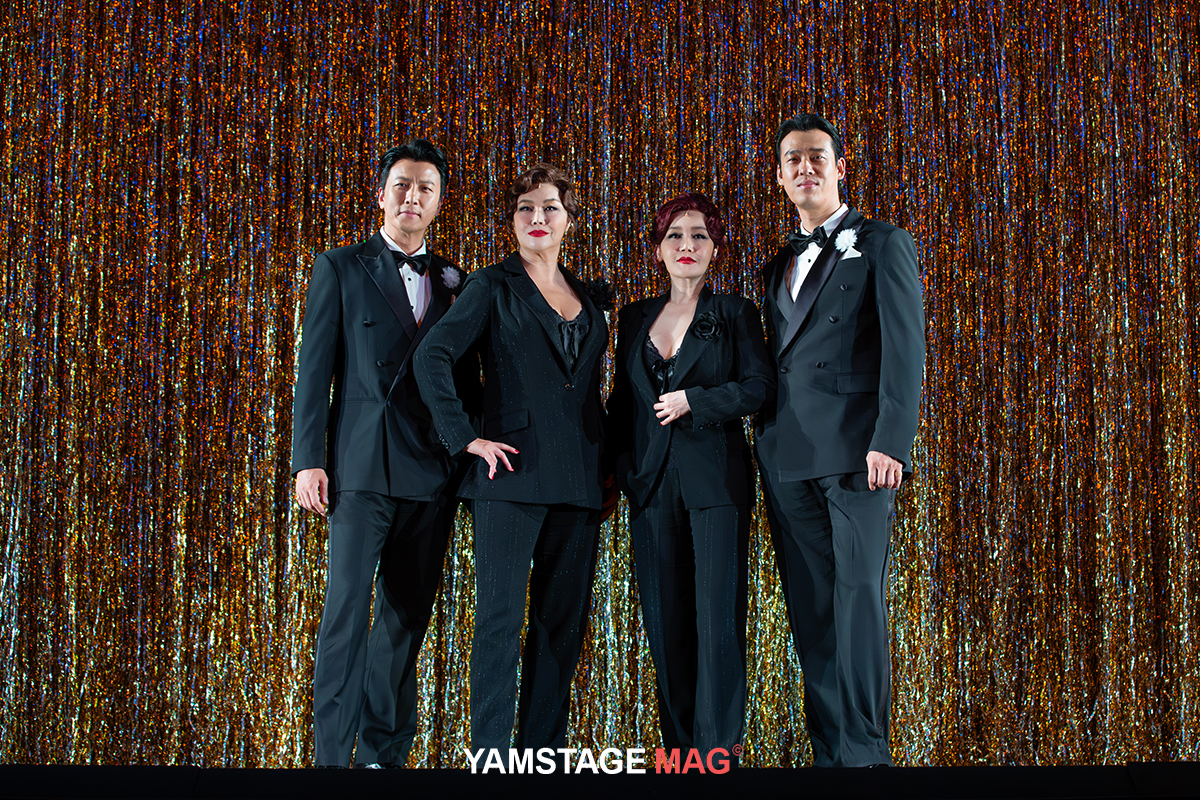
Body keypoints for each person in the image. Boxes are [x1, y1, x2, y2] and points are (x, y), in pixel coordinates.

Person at [291, 139, 480, 768]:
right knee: (345, 617)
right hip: (361, 469)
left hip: (431, 473)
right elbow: (314, 372)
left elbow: (465, 381)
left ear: (439, 202)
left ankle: (383, 758)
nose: (412, 197)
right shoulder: (340, 267)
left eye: (426, 188)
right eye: (402, 184)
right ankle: (329, 761)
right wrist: (308, 460)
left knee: (405, 621)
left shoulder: (457, 281)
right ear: (380, 194)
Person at [414, 164, 610, 750]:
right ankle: (491, 762)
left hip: (580, 483)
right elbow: (432, 357)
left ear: (569, 220)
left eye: (550, 207)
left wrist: (609, 468)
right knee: (499, 624)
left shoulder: (588, 296)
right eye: (526, 208)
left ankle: (540, 759)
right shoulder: (491, 285)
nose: (537, 217)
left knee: (560, 630)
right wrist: (465, 438)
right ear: (513, 221)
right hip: (509, 476)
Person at [755, 113, 925, 767]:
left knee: (858, 602)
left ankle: (867, 755)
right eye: (793, 159)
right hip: (788, 457)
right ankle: (830, 753)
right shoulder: (776, 264)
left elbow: (906, 350)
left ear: (839, 168)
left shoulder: (882, 243)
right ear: (780, 176)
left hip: (859, 454)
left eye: (817, 156)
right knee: (811, 609)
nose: (805, 167)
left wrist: (892, 441)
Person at [607, 193, 773, 756]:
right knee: (665, 624)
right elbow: (621, 404)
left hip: (716, 483)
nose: (687, 244)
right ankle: (679, 756)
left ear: (715, 248)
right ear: (658, 248)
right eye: (675, 235)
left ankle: (717, 754)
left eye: (699, 235)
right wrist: (622, 472)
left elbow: (759, 387)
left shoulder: (735, 312)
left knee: (717, 621)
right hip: (650, 485)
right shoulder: (633, 317)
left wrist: (695, 401)